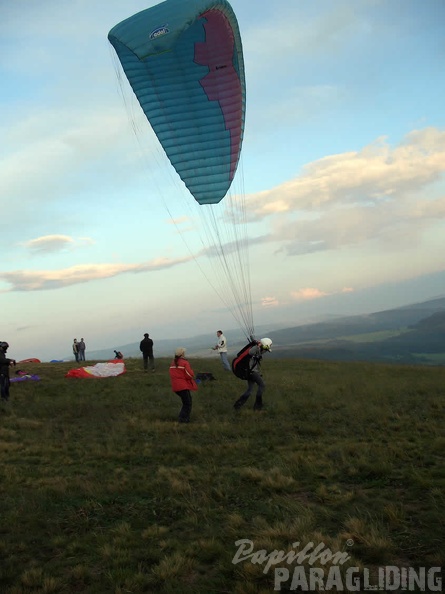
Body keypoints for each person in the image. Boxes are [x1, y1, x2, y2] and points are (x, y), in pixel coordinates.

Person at [233, 338, 272, 411]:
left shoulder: (258, 349)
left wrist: (259, 345)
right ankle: (258, 406)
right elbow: (251, 352)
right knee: (262, 385)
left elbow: (260, 351)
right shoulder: (254, 349)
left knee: (250, 389)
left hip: (249, 372)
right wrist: (257, 346)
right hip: (252, 372)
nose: (265, 351)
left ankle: (238, 405)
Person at [169, 347, 198, 423]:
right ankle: (182, 419)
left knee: (186, 402)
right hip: (182, 386)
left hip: (175, 386)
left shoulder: (173, 362)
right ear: (182, 354)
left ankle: (184, 419)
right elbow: (190, 374)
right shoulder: (184, 362)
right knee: (187, 403)